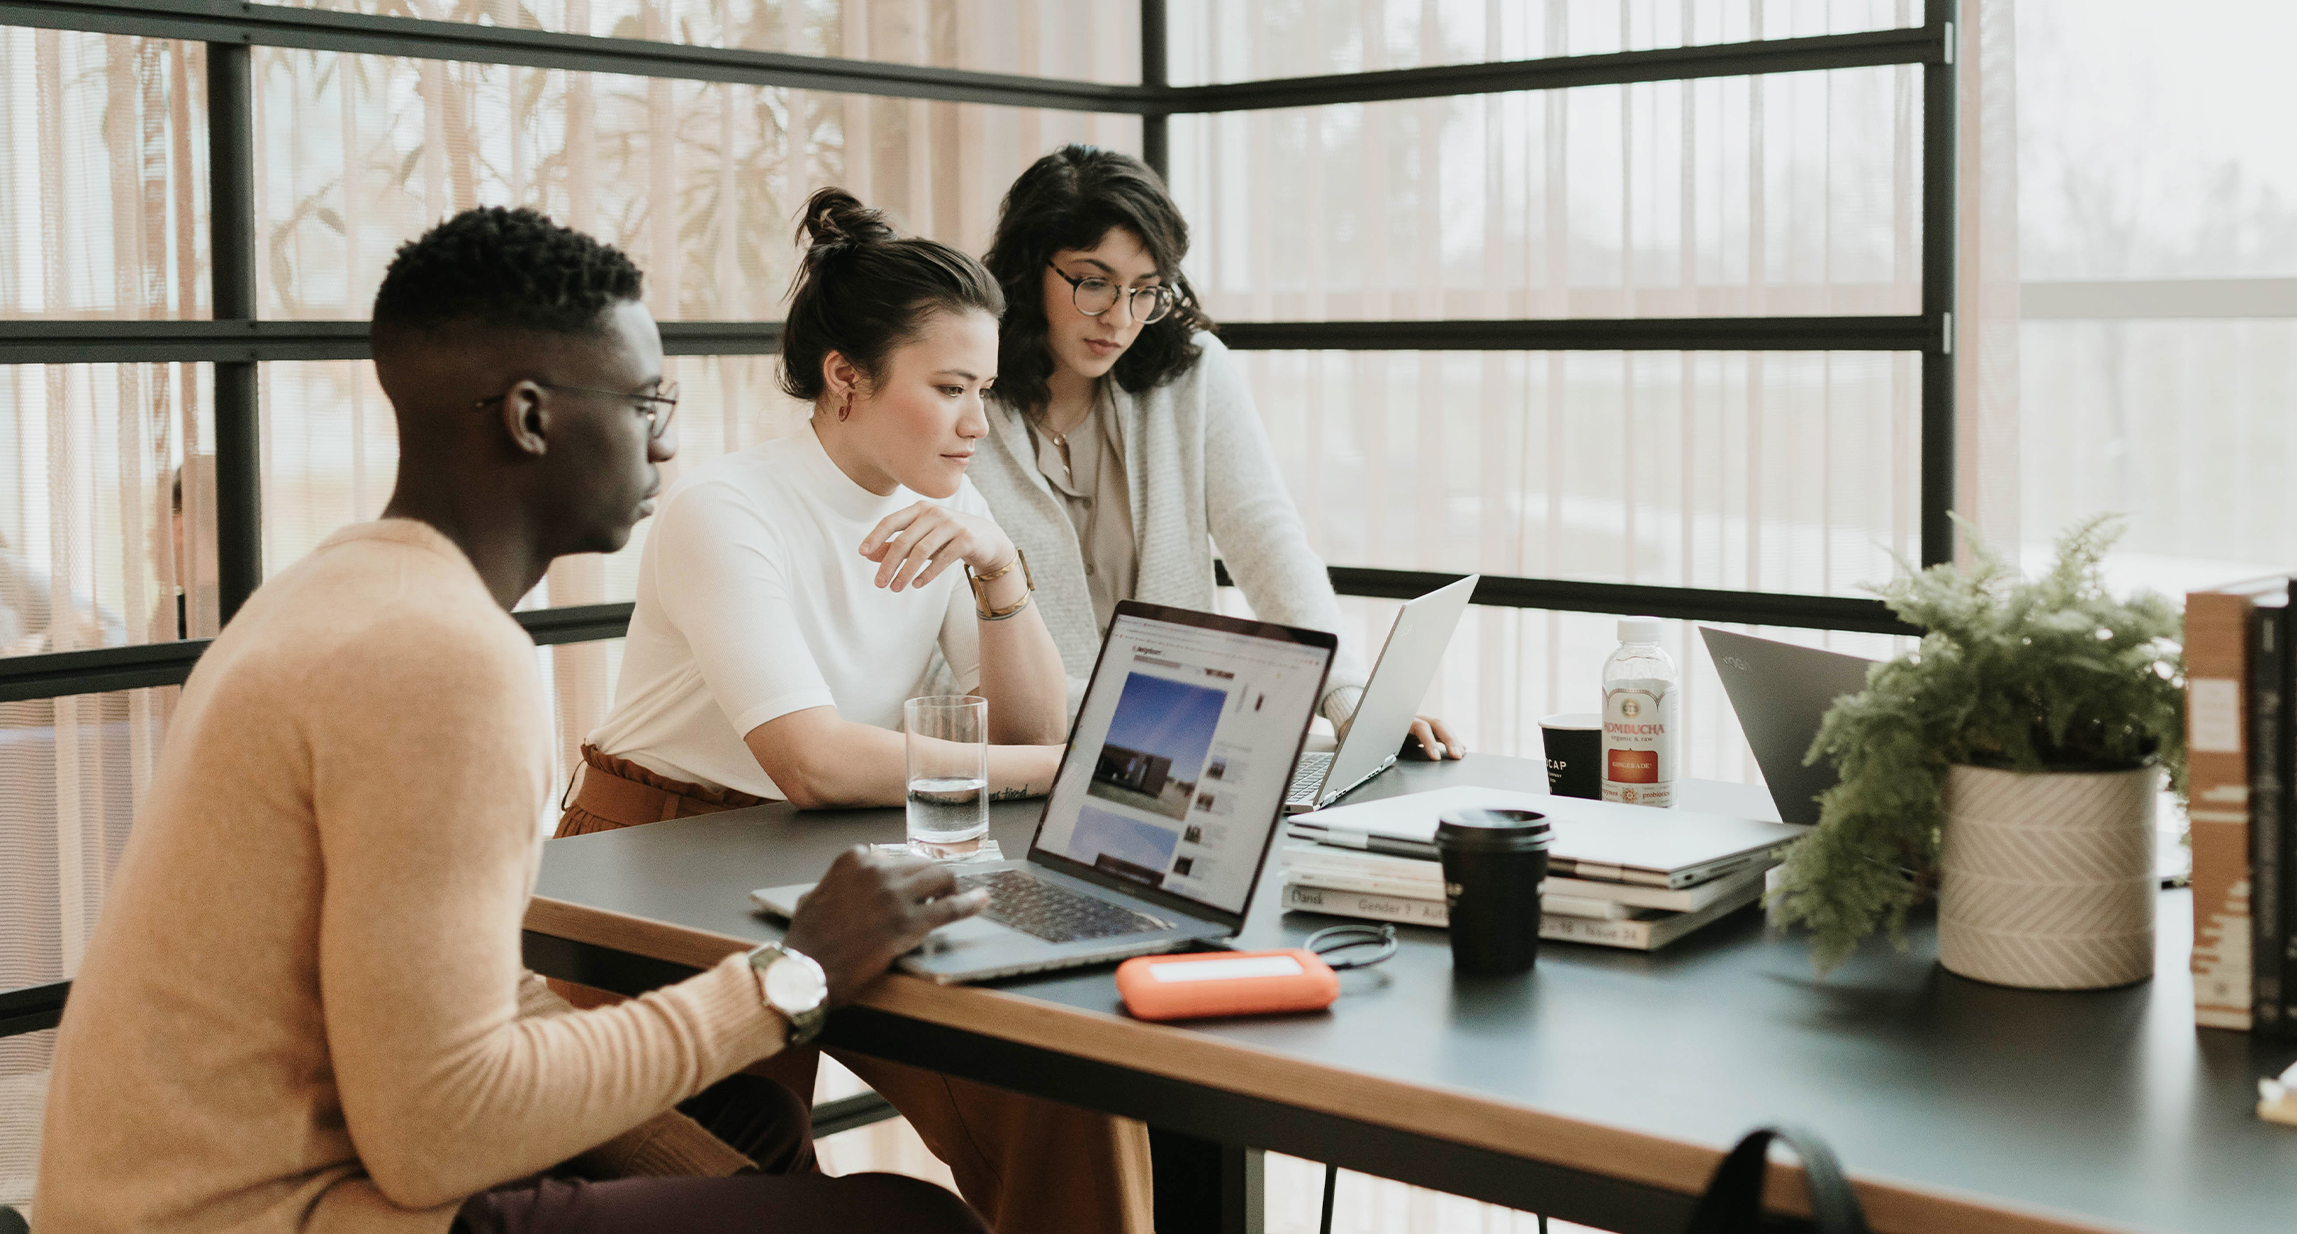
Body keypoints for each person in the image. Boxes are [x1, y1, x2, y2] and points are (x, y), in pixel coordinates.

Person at [34, 206, 993, 1232]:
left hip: (175, 1185)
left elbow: (461, 1004)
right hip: (265, 1209)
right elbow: (438, 1132)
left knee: (748, 1122)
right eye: (644, 402)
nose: (667, 444)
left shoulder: (338, 587)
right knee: (909, 1220)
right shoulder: (442, 657)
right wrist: (792, 974)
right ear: (530, 418)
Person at [562, 189, 1151, 1234]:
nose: (980, 421)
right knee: (753, 1182)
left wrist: (1002, 572)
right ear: (846, 378)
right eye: (950, 387)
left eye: (986, 387)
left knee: (1063, 1081)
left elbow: (1030, 735)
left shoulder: (949, 501)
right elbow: (816, 761)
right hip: (655, 866)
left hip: (837, 853)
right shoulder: (726, 511)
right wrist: (1068, 772)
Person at [968, 145, 1463, 761]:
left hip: (1182, 750)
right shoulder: (965, 403)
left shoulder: (1190, 373)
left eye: (1145, 291)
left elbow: (1265, 538)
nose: (1121, 320)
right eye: (1094, 283)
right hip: (1028, 757)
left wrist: (1347, 698)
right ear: (1026, 269)